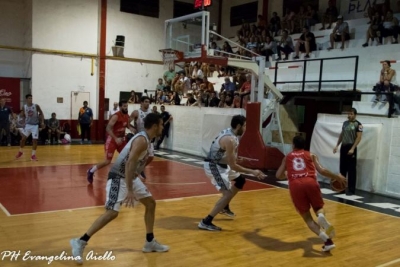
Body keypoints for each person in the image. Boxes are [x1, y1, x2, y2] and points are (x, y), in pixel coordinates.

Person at [70, 113, 169, 264]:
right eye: (161, 124)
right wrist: (130, 190)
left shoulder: (147, 140)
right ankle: (80, 241)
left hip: (129, 176)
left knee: (150, 204)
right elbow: (129, 163)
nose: (163, 127)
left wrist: (138, 171)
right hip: (118, 177)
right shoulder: (142, 140)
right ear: (155, 126)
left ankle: (150, 241)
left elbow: (144, 160)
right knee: (112, 213)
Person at [276, 135, 346, 252]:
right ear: (304, 145)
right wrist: (336, 177)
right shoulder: (311, 155)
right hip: (310, 182)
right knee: (319, 207)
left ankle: (327, 241)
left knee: (307, 218)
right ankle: (320, 216)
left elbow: (278, 175)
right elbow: (322, 170)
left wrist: (288, 174)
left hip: (296, 186)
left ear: (293, 145)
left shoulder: (287, 157)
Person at [198, 115, 266, 231]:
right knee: (227, 194)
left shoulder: (231, 134)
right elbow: (233, 165)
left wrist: (236, 159)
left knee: (240, 180)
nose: (245, 129)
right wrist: (253, 171)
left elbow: (224, 155)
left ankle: (225, 207)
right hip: (213, 166)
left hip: (221, 164)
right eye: (244, 126)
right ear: (238, 126)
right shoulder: (230, 140)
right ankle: (206, 221)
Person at [87, 100, 135, 183]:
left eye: (127, 106)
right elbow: (108, 128)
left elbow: (127, 125)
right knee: (107, 161)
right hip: (112, 140)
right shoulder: (116, 116)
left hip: (121, 140)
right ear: (120, 107)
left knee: (128, 157)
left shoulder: (127, 116)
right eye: (124, 106)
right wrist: (116, 138)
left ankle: (124, 175)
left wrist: (132, 129)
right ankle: (91, 171)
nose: (126, 107)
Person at [333, 108, 362, 195]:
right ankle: (341, 187)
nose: (349, 115)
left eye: (351, 114)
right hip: (344, 147)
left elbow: (359, 137)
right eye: (348, 113)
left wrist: (353, 148)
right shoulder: (345, 123)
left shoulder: (358, 124)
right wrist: (337, 145)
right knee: (342, 168)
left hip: (351, 147)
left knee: (351, 169)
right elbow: (342, 135)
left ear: (355, 115)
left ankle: (351, 189)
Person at [15, 94, 45, 161]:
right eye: (29, 98)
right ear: (26, 99)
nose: (30, 99)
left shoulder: (36, 106)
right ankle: (20, 151)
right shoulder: (24, 107)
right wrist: (19, 120)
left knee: (34, 140)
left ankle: (33, 155)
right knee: (23, 139)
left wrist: (42, 122)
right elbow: (23, 115)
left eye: (31, 98)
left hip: (35, 125)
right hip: (28, 125)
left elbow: (41, 113)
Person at [130, 96, 153, 179]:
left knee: (150, 156)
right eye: (146, 101)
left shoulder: (151, 113)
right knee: (138, 156)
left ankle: (140, 168)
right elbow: (127, 123)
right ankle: (133, 171)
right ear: (141, 103)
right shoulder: (136, 112)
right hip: (140, 137)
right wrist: (132, 128)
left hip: (149, 137)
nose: (147, 103)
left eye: (148, 102)